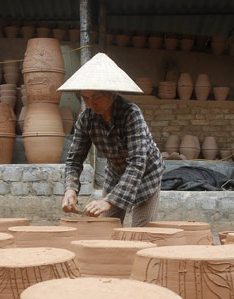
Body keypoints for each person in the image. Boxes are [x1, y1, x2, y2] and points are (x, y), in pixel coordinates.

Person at [58, 53, 164, 226]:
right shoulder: (86, 119)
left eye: (97, 97)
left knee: (141, 232)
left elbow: (137, 163)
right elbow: (74, 160)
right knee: (107, 228)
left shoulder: (131, 113)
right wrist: (70, 188)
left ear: (112, 94)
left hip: (146, 174)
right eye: (86, 98)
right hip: (116, 173)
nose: (91, 103)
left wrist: (109, 200)